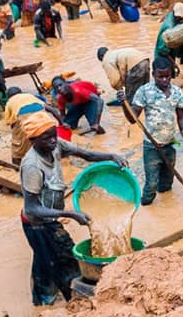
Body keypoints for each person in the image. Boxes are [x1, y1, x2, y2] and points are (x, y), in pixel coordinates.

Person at [19, 116, 127, 305]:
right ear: (33, 140)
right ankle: (75, 301)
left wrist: (111, 156)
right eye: (46, 138)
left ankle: (43, 301)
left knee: (44, 261)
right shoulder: (32, 166)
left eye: (54, 135)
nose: (53, 140)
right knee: (66, 259)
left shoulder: (56, 146)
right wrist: (69, 214)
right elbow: (32, 207)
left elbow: (86, 155)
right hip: (38, 224)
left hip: (50, 218)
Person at [129, 58, 183, 205]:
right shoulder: (144, 91)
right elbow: (133, 119)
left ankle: (165, 207)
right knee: (151, 184)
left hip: (169, 144)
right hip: (152, 146)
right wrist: (123, 104)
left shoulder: (177, 92)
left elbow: (181, 118)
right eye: (160, 76)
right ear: (153, 74)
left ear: (172, 74)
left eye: (167, 76)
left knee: (166, 183)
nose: (164, 80)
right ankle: (144, 206)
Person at [4, 87, 62, 164]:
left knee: (19, 143)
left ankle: (16, 164)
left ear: (9, 96)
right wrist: (61, 123)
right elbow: (52, 110)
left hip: (23, 115)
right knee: (44, 137)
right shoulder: (29, 95)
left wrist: (17, 133)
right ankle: (47, 159)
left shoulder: (10, 101)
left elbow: (10, 121)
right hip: (42, 116)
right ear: (21, 92)